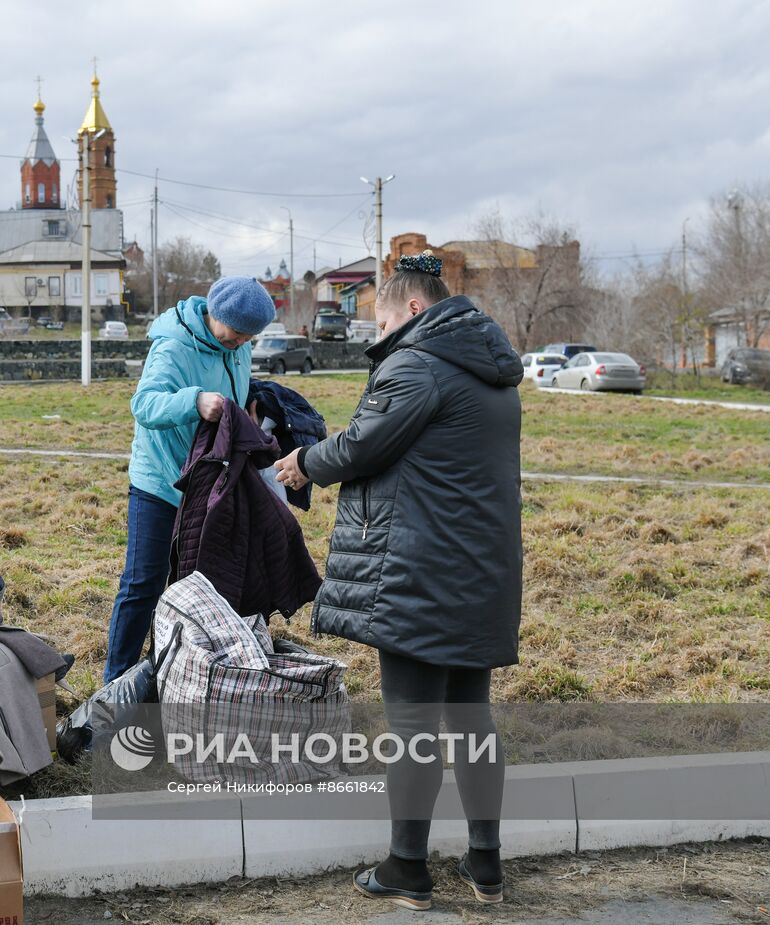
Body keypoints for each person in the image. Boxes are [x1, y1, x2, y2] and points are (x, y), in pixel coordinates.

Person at [275, 252, 523, 910]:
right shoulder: (490, 368)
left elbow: (361, 444)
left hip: (420, 570)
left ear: (413, 309)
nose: (376, 334)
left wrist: (303, 462)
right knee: (473, 718)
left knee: (413, 720)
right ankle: (487, 863)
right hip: (482, 571)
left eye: (380, 319)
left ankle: (407, 867)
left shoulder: (417, 363)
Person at [103, 277, 276, 683]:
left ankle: (170, 676)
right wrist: (194, 401)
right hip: (159, 483)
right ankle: (115, 685)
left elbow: (236, 385)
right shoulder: (174, 345)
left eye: (250, 336)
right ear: (216, 314)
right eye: (237, 333)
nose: (242, 342)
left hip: (205, 485)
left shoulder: (239, 346)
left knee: (193, 589)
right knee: (144, 583)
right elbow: (143, 404)